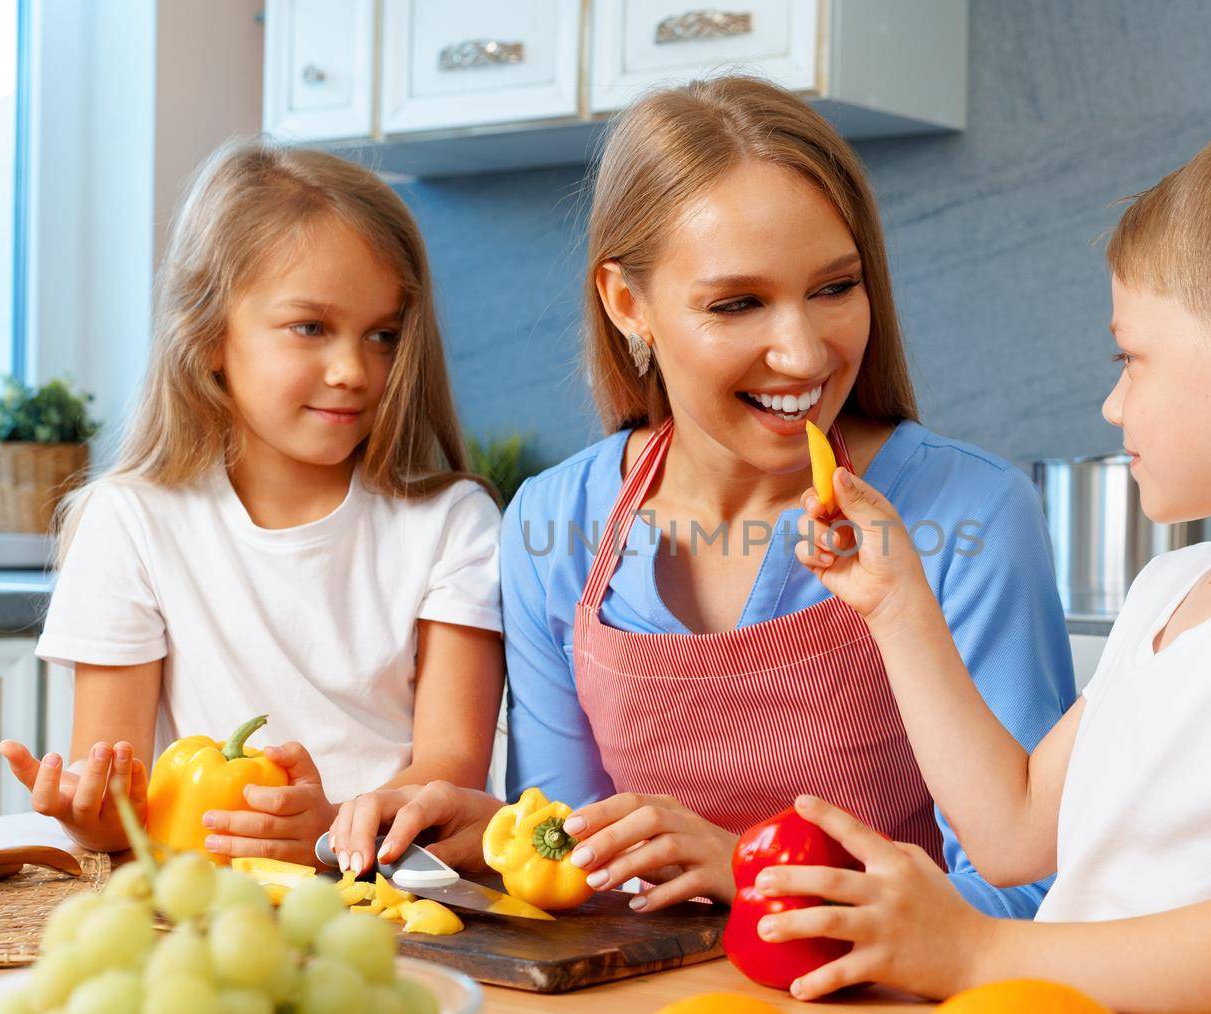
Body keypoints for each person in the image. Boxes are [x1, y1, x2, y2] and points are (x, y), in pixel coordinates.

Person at [769, 113, 1211, 1014]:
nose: (1113, 402)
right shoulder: (1172, 589)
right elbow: (1012, 832)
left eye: (1132, 358)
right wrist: (898, 604)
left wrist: (981, 948)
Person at [329, 76, 1074, 917]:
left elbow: (1034, 893)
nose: (802, 354)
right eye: (738, 303)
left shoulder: (966, 514)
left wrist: (752, 871)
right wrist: (496, 841)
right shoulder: (553, 523)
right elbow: (579, 868)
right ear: (627, 303)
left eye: (834, 287)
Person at [0, 139, 504, 868]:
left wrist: (331, 830)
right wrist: (86, 811)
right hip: (201, 907)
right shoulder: (130, 521)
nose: (351, 370)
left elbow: (452, 769)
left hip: (386, 895)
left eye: (383, 336)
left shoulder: (453, 522)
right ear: (208, 336)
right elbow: (118, 815)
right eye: (311, 327)